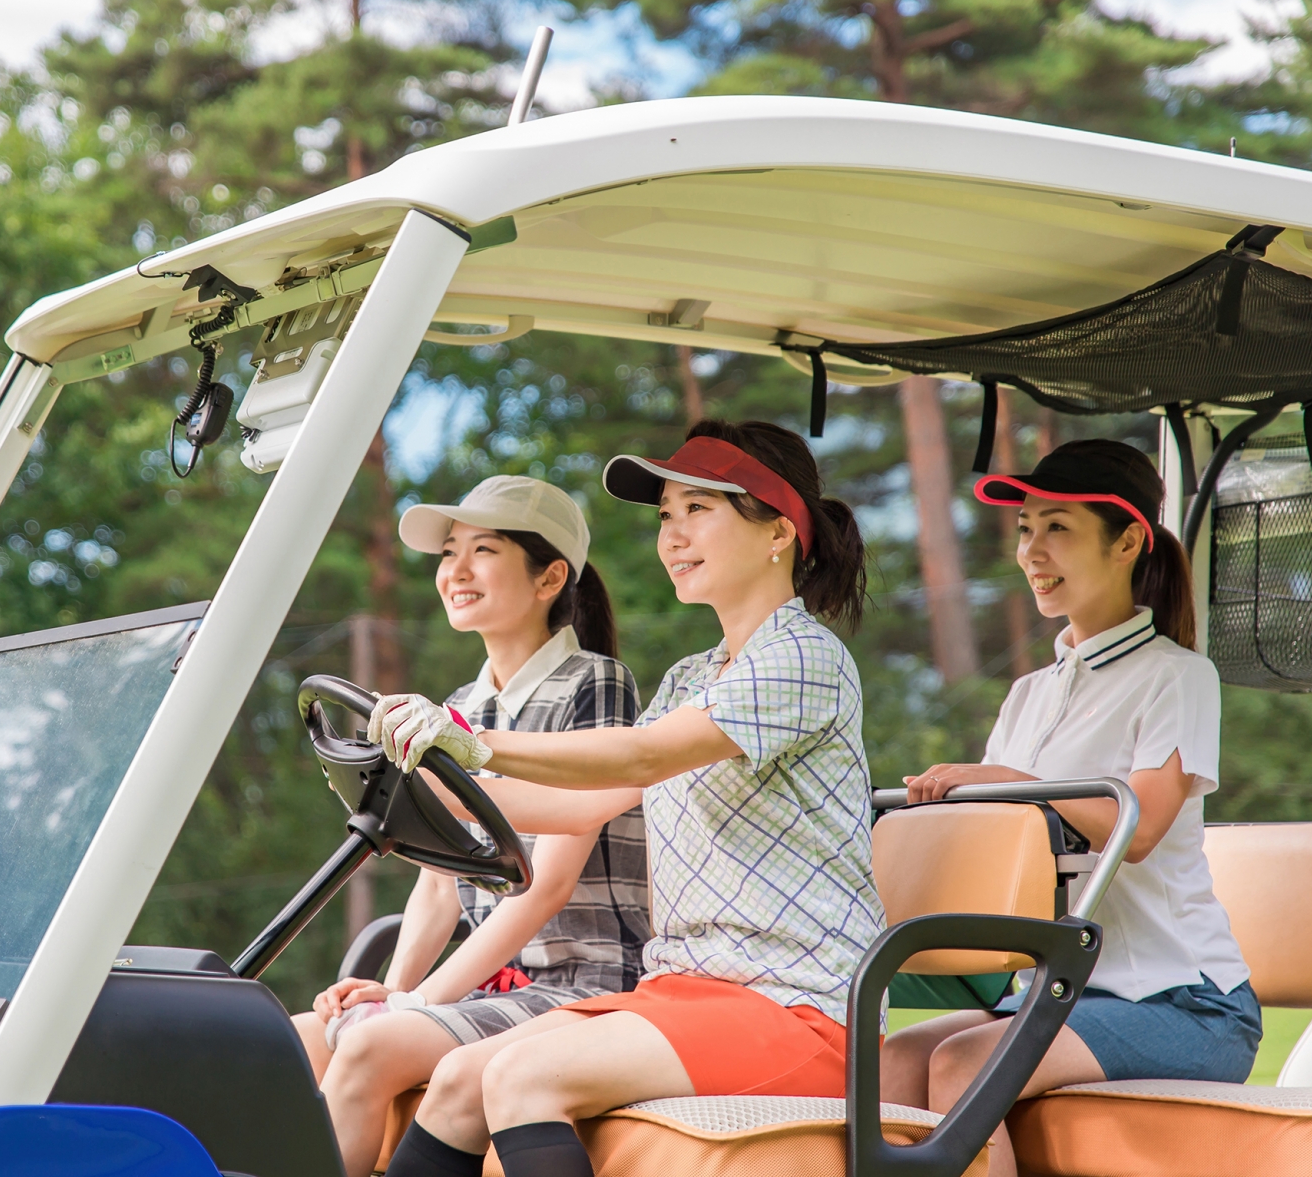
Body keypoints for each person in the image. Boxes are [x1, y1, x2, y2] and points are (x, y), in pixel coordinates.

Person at [365, 420, 881, 1177]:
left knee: (520, 1077)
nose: (672, 536)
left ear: (778, 531)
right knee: (458, 1081)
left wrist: (472, 744)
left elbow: (640, 752)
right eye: (666, 516)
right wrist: (433, 791)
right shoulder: (690, 676)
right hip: (685, 989)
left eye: (698, 510)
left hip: (799, 1005)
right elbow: (583, 803)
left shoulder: (804, 655)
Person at [882, 439, 1259, 1177]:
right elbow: (1002, 842)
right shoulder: (1030, 693)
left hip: (1184, 1003)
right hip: (1059, 988)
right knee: (897, 1058)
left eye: (1057, 528)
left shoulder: (1178, 677)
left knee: (962, 1063)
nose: (1032, 551)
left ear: (1127, 542)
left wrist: (1003, 778)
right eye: (1026, 530)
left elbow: (1141, 827)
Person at [291, 474, 649, 1177]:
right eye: (449, 552)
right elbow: (438, 883)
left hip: (588, 982)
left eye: (482, 550)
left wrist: (421, 1002)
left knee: (364, 1048)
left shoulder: (594, 683)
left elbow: (546, 886)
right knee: (306, 1034)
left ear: (550, 578)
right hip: (502, 984)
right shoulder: (457, 706)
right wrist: (396, 990)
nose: (455, 570)